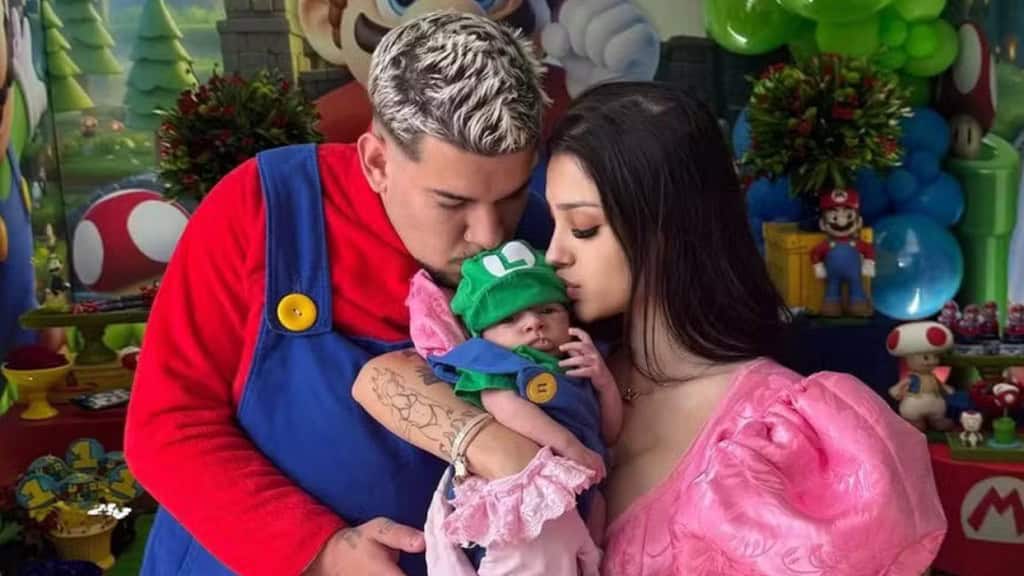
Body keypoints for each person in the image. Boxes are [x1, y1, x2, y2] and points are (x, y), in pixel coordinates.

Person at [352, 82, 948, 575]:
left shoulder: (783, 430)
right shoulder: (562, 360)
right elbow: (381, 377)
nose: (553, 255)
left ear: (666, 231)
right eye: (553, 224)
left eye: (583, 228)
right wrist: (499, 448)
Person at [124, 11, 558, 576]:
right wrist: (319, 551)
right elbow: (167, 426)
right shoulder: (262, 208)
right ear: (376, 161)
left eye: (512, 195)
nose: (490, 235)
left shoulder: (543, 235)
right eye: (452, 203)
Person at [403, 239, 619, 575]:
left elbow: (609, 432)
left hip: (580, 489)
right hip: (512, 489)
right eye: (509, 318)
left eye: (548, 310)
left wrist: (604, 383)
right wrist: (569, 446)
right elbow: (502, 405)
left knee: (597, 520)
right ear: (482, 335)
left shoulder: (577, 364)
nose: (534, 323)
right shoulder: (496, 363)